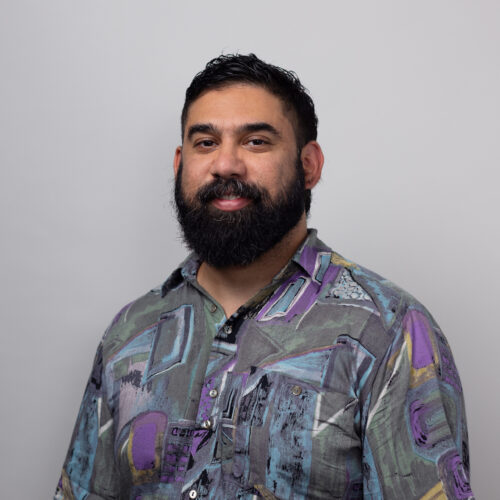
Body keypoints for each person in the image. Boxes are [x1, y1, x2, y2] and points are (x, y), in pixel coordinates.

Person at [55, 54, 474, 500]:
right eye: (205, 143)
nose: (226, 165)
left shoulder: (390, 333)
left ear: (309, 165)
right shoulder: (129, 334)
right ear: (180, 164)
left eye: (255, 141)